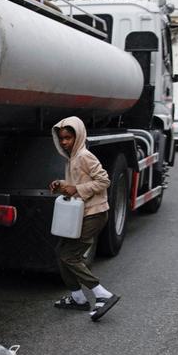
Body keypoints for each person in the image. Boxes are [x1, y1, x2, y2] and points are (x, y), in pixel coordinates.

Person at [49, 117, 120, 321]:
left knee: (70, 255)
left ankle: (102, 294)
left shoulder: (84, 156)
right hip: (81, 213)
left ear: (78, 136)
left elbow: (104, 180)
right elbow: (75, 183)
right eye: (61, 138)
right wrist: (60, 184)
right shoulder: (72, 157)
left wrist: (76, 189)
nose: (64, 142)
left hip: (94, 214)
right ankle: (77, 297)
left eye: (68, 138)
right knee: (61, 252)